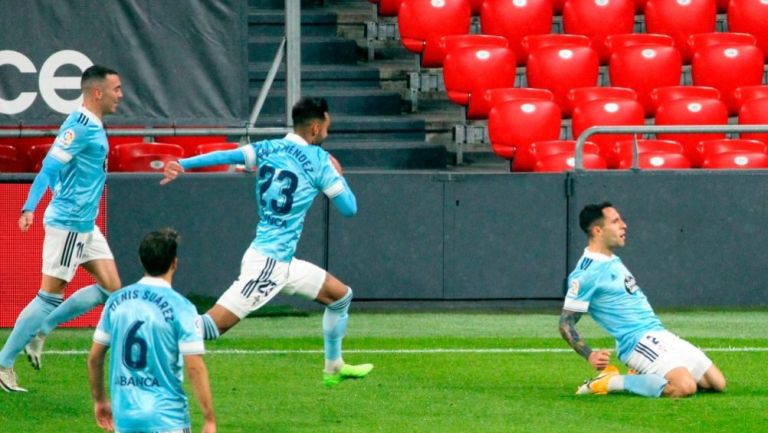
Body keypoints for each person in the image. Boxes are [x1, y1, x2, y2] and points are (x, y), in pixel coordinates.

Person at [160, 97, 373, 388]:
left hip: (281, 261)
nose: (327, 131)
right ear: (314, 128)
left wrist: (183, 163)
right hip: (268, 265)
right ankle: (152, 336)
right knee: (210, 326)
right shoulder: (320, 162)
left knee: (340, 296)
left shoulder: (268, 147)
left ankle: (333, 366)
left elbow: (228, 155)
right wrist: (339, 176)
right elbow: (349, 209)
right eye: (326, 126)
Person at [0, 65, 124, 392]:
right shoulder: (80, 126)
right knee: (48, 297)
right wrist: (29, 206)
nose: (120, 95)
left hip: (86, 223)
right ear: (97, 92)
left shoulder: (94, 123)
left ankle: (41, 331)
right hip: (69, 223)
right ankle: (3, 363)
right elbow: (48, 168)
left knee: (112, 289)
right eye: (117, 89)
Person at [559, 202, 727, 398]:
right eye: (615, 221)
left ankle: (644, 373)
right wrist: (590, 355)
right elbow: (565, 323)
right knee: (684, 387)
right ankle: (609, 382)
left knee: (717, 383)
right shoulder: (586, 273)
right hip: (635, 341)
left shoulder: (611, 259)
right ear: (598, 230)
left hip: (657, 333)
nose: (624, 225)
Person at [88, 228, 216, 433]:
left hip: (125, 418)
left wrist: (100, 400)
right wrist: (209, 419)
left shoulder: (116, 302)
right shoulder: (182, 307)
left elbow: (95, 358)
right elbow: (194, 366)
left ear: (141, 260)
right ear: (175, 263)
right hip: (167, 419)